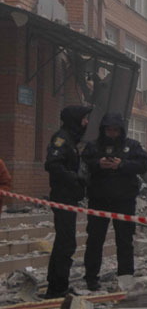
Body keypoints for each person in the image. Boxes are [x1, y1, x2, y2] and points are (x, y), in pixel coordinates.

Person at [82, 113, 147, 291]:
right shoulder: (93, 146)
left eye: (115, 130)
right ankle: (91, 278)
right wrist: (99, 163)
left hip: (124, 201)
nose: (112, 134)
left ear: (121, 130)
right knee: (95, 240)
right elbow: (84, 162)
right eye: (109, 130)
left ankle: (126, 279)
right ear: (103, 130)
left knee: (125, 241)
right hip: (99, 200)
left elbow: (144, 164)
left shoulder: (132, 146)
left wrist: (122, 165)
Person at [44, 105, 92, 298]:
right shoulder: (61, 138)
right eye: (83, 118)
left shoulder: (72, 139)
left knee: (64, 242)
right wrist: (75, 178)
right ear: (74, 119)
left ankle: (57, 284)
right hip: (62, 197)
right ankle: (57, 289)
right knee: (66, 243)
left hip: (70, 197)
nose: (86, 122)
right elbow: (52, 164)